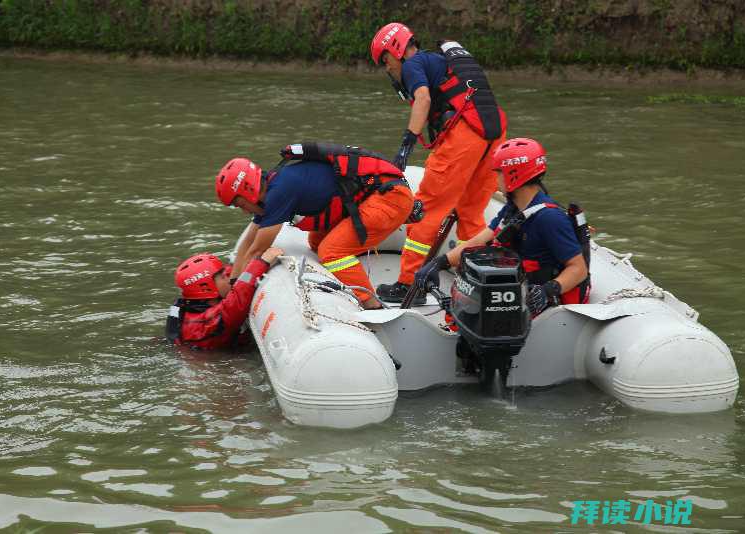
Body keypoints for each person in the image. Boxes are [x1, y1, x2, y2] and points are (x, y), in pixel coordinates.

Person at [369, 22, 509, 303]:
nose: (388, 68)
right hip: (494, 134)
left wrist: (407, 144)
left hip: (465, 136)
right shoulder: (439, 61)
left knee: (424, 209)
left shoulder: (412, 65)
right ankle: (483, 278)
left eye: (386, 60)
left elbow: (422, 97)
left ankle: (410, 284)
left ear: (396, 50)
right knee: (470, 213)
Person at [215, 143, 414, 310]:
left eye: (240, 204)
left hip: (389, 198)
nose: (243, 210)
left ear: (249, 191)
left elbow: (257, 250)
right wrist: (234, 282)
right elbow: (249, 241)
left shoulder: (279, 192)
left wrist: (234, 298)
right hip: (374, 196)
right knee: (316, 242)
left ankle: (372, 305)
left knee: (331, 251)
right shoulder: (275, 184)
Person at [413, 138, 590, 316]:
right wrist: (438, 263)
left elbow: (579, 269)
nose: (496, 178)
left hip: (537, 301)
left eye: (499, 173)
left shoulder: (550, 219)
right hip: (512, 292)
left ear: (514, 175)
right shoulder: (513, 208)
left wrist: (547, 291)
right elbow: (482, 239)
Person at [165, 247, 283, 350]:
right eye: (223, 277)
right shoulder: (208, 322)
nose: (228, 278)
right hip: (207, 360)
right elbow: (238, 296)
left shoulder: (191, 303)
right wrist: (262, 262)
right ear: (206, 288)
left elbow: (229, 272)